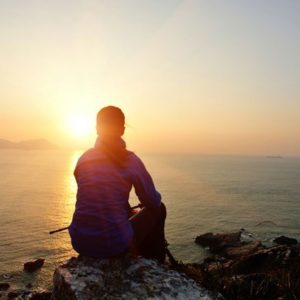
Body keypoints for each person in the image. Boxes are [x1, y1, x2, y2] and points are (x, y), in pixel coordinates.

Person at [69, 106, 166, 263]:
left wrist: (125, 209)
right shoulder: (130, 160)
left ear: (96, 129)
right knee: (160, 209)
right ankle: (155, 262)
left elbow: (96, 196)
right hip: (114, 245)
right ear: (122, 129)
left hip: (80, 242)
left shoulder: (83, 159)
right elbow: (152, 201)